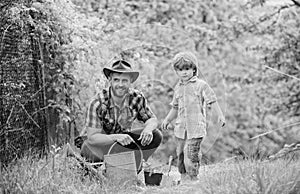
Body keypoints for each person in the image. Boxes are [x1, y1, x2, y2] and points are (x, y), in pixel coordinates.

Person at [79, 59, 162, 171]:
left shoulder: (136, 98)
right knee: (88, 149)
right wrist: (115, 137)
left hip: (123, 142)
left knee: (156, 135)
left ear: (130, 81)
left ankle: (133, 165)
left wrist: (148, 129)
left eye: (124, 80)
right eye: (116, 80)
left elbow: (152, 119)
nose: (120, 84)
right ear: (110, 80)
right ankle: (99, 170)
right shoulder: (98, 102)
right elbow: (93, 138)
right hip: (101, 142)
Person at [161, 51, 225, 182]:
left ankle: (193, 178)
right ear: (176, 71)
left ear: (194, 69)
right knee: (181, 154)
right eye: (180, 70)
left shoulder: (201, 85)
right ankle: (183, 177)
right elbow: (175, 107)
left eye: (187, 69)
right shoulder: (178, 87)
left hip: (195, 128)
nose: (184, 72)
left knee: (191, 153)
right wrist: (167, 119)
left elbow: (212, 100)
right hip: (180, 129)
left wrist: (220, 115)